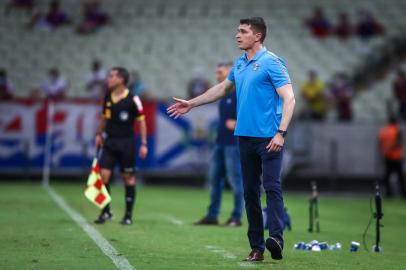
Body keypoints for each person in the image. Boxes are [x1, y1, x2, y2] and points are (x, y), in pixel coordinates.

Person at [168, 17, 296, 261]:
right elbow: (221, 89)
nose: (237, 35)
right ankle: (257, 247)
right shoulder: (239, 63)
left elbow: (289, 98)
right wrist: (191, 103)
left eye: (243, 31)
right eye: (238, 31)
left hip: (269, 137)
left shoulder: (272, 62)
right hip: (244, 138)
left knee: (271, 187)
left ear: (257, 36)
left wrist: (281, 133)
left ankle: (277, 238)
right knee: (249, 192)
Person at [94, 67, 148, 225]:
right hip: (110, 141)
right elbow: (104, 118)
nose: (108, 79)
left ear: (121, 80)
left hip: (127, 143)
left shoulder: (133, 99)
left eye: (111, 76)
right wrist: (99, 134)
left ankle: (128, 215)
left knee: (128, 177)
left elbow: (142, 121)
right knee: (104, 176)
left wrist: (143, 143)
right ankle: (105, 212)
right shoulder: (108, 97)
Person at [194, 62, 244, 227]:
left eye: (220, 71)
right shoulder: (225, 93)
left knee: (236, 180)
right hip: (220, 142)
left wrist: (238, 123)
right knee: (215, 180)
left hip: (233, 143)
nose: (217, 74)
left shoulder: (241, 93)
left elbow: (253, 115)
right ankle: (212, 215)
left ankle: (236, 216)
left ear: (231, 72)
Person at [378, 116, 406, 198]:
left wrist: (383, 153)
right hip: (396, 157)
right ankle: (403, 193)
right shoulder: (397, 130)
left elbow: (380, 144)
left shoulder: (383, 131)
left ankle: (388, 193)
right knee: (400, 177)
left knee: (387, 175)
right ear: (395, 121)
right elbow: (399, 143)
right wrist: (391, 148)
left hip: (387, 156)